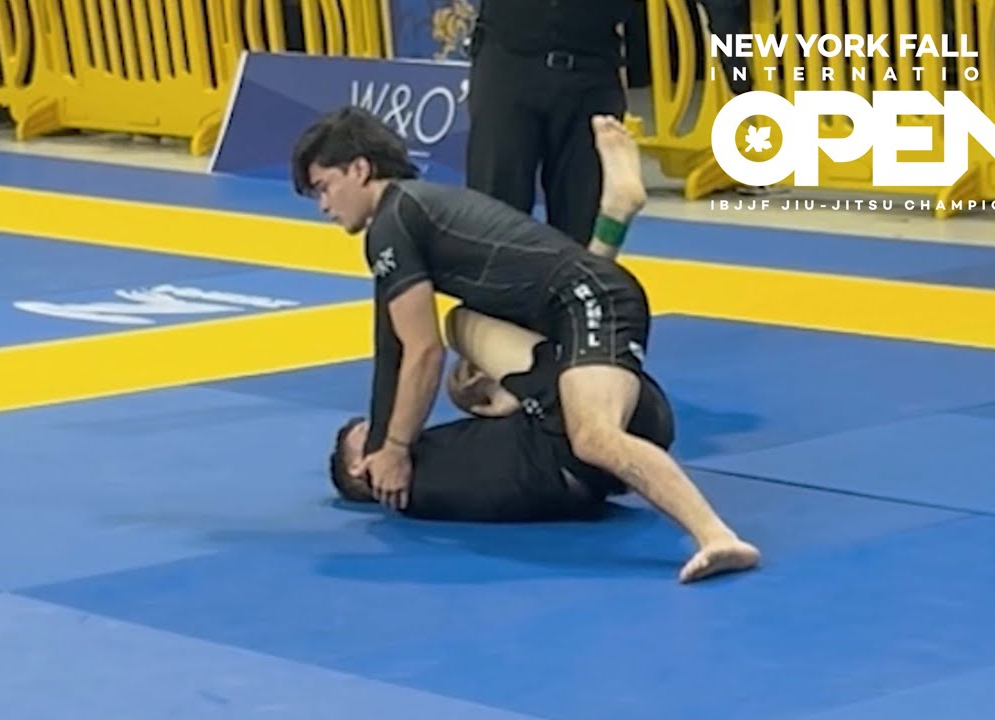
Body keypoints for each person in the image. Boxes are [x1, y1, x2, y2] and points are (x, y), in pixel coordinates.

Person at [291, 107, 759, 582]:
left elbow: (423, 351)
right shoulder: (411, 211)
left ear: (359, 169)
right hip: (571, 301)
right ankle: (613, 214)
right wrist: (387, 440)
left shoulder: (393, 222)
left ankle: (715, 535)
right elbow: (391, 345)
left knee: (593, 436)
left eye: (324, 187)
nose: (323, 206)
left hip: (591, 300)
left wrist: (393, 447)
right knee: (462, 347)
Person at [328, 306, 677, 524]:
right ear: (358, 466)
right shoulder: (412, 482)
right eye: (368, 430)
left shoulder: (424, 472)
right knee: (460, 323)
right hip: (595, 427)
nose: (384, 422)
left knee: (468, 387)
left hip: (616, 457)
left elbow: (509, 470)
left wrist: (506, 400)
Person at [465, 0, 639, 244]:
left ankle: (579, 270)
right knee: (494, 213)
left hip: (594, 70)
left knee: (583, 217)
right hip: (507, 62)